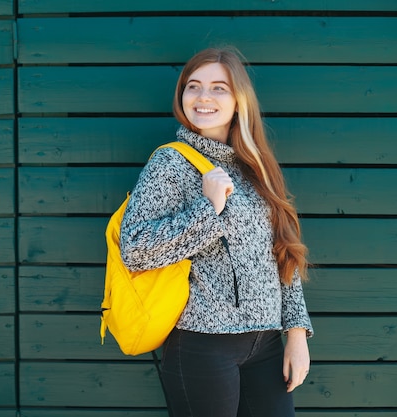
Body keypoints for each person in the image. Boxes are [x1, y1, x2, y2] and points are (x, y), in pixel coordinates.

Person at [119, 47, 313, 417]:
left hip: (267, 344)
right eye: (194, 86)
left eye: (218, 88)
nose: (203, 97)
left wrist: (297, 334)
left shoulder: (255, 166)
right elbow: (136, 249)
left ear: (239, 99)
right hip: (202, 346)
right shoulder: (170, 163)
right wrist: (210, 210)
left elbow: (282, 252)